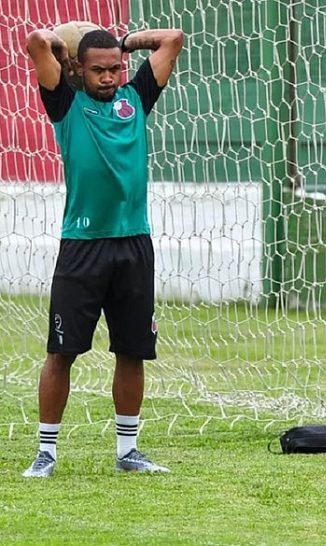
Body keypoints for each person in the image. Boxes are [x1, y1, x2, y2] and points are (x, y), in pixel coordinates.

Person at [22, 26, 184, 477]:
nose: (109, 77)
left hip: (134, 244)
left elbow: (172, 39)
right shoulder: (66, 104)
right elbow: (36, 41)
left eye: (115, 68)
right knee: (61, 352)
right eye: (98, 69)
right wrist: (61, 45)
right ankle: (46, 454)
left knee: (132, 352)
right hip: (81, 248)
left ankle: (128, 451)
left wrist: (126, 41)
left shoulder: (136, 99)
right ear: (78, 68)